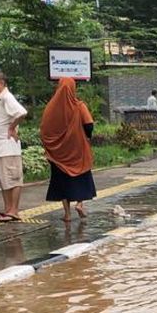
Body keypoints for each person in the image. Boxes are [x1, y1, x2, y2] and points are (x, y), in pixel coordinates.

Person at [40, 77, 97, 222]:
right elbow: (89, 125)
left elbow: (44, 130)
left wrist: (52, 146)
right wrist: (86, 137)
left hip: (58, 155)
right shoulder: (79, 106)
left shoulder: (50, 108)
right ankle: (79, 204)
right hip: (78, 151)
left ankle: (67, 214)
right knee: (81, 178)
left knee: (62, 183)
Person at [0, 69, 28, 223]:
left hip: (7, 147)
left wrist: (11, 127)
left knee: (12, 179)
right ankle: (7, 208)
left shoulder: (7, 97)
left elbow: (21, 113)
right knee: (3, 181)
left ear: (1, 83)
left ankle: (14, 210)